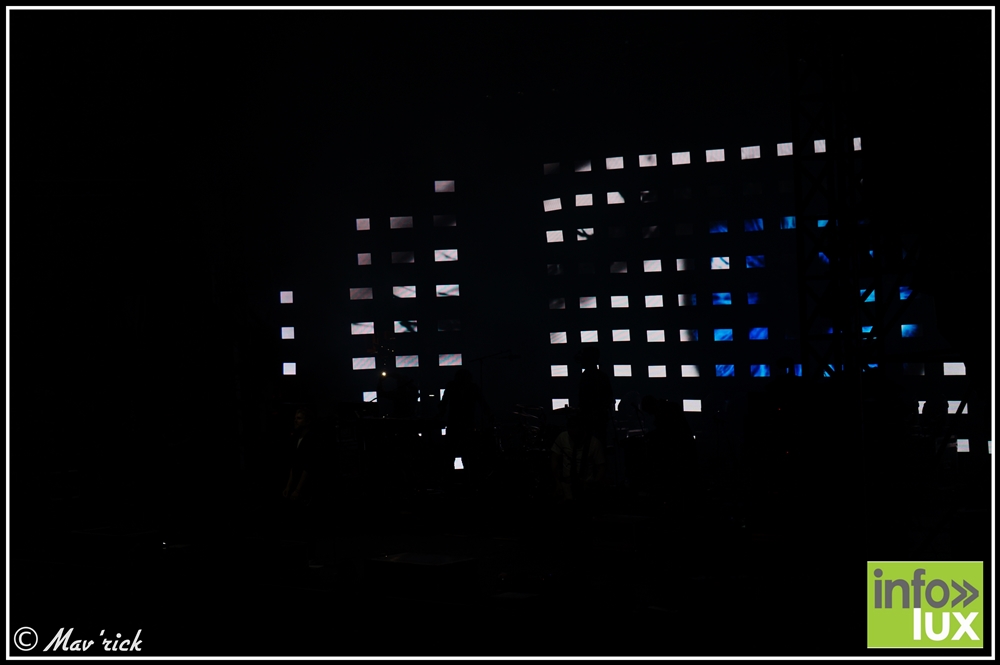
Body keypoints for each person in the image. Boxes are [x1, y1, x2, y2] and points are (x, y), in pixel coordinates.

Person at [438, 368, 492, 481]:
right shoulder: (473, 387)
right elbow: (483, 405)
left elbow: (443, 404)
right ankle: (469, 479)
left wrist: (438, 418)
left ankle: (450, 479)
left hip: (454, 424)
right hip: (467, 425)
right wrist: (490, 419)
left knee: (451, 453)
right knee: (468, 454)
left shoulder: (452, 386)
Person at [550, 414, 606, 504]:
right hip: (566, 486)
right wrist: (557, 482)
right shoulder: (562, 438)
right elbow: (554, 460)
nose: (573, 436)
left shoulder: (594, 444)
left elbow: (601, 467)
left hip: (586, 487)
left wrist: (593, 485)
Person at [575, 347, 613, 448]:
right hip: (599, 419)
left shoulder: (586, 376)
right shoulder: (602, 376)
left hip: (589, 420)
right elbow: (609, 398)